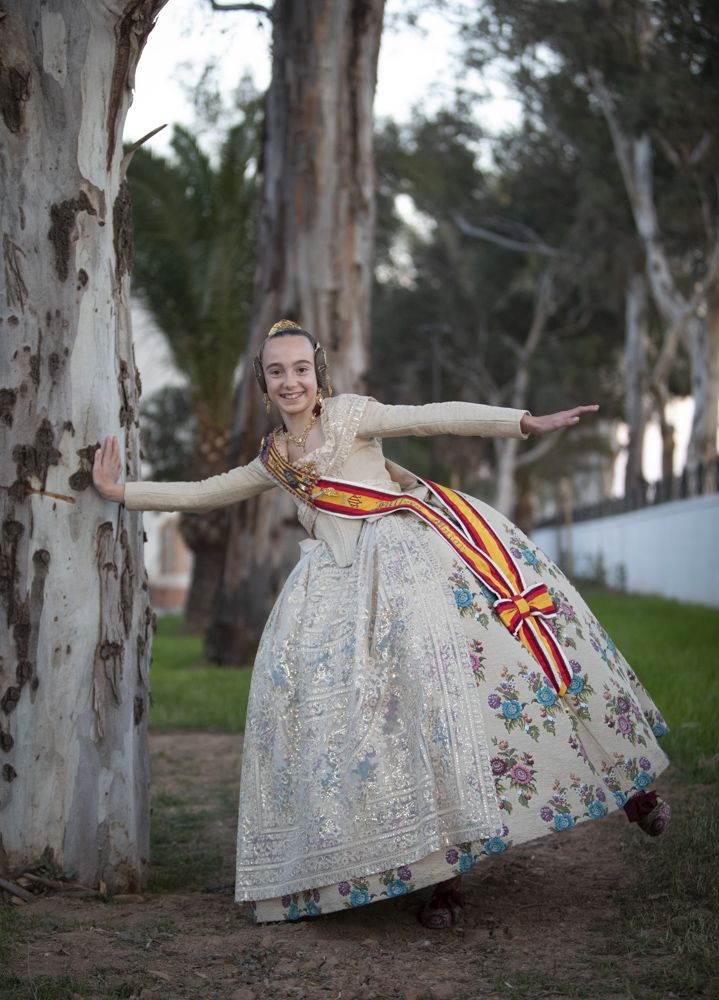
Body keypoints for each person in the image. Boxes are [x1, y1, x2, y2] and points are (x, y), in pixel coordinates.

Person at [93, 319, 671, 929]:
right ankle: (434, 873)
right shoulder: (274, 459)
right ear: (264, 384)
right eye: (275, 371)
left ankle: (630, 790)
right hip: (334, 593)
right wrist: (120, 491)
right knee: (367, 725)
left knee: (498, 683)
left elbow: (431, 415)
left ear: (318, 375)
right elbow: (207, 491)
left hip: (405, 572)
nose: (290, 382)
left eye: (299, 369)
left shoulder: (350, 416)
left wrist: (522, 422)